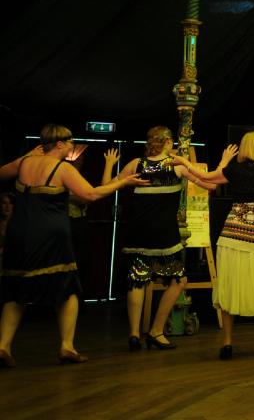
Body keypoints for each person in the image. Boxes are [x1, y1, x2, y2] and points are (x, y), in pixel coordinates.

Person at [0, 125, 146, 367]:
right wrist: (123, 182)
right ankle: (67, 346)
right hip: (51, 235)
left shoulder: (25, 162)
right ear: (58, 144)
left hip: (20, 233)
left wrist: (25, 156)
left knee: (16, 291)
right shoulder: (62, 168)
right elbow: (91, 194)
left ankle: (3, 346)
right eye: (70, 142)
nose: (72, 147)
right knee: (68, 289)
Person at [170, 132, 254, 360]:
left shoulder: (234, 171)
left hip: (233, 236)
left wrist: (186, 163)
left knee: (230, 286)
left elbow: (205, 177)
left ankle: (227, 343)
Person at [105, 126, 217, 352]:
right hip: (164, 233)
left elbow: (106, 186)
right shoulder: (174, 165)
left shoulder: (136, 164)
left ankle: (134, 334)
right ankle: (156, 331)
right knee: (178, 280)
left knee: (137, 280)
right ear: (167, 142)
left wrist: (109, 164)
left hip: (138, 231)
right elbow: (211, 185)